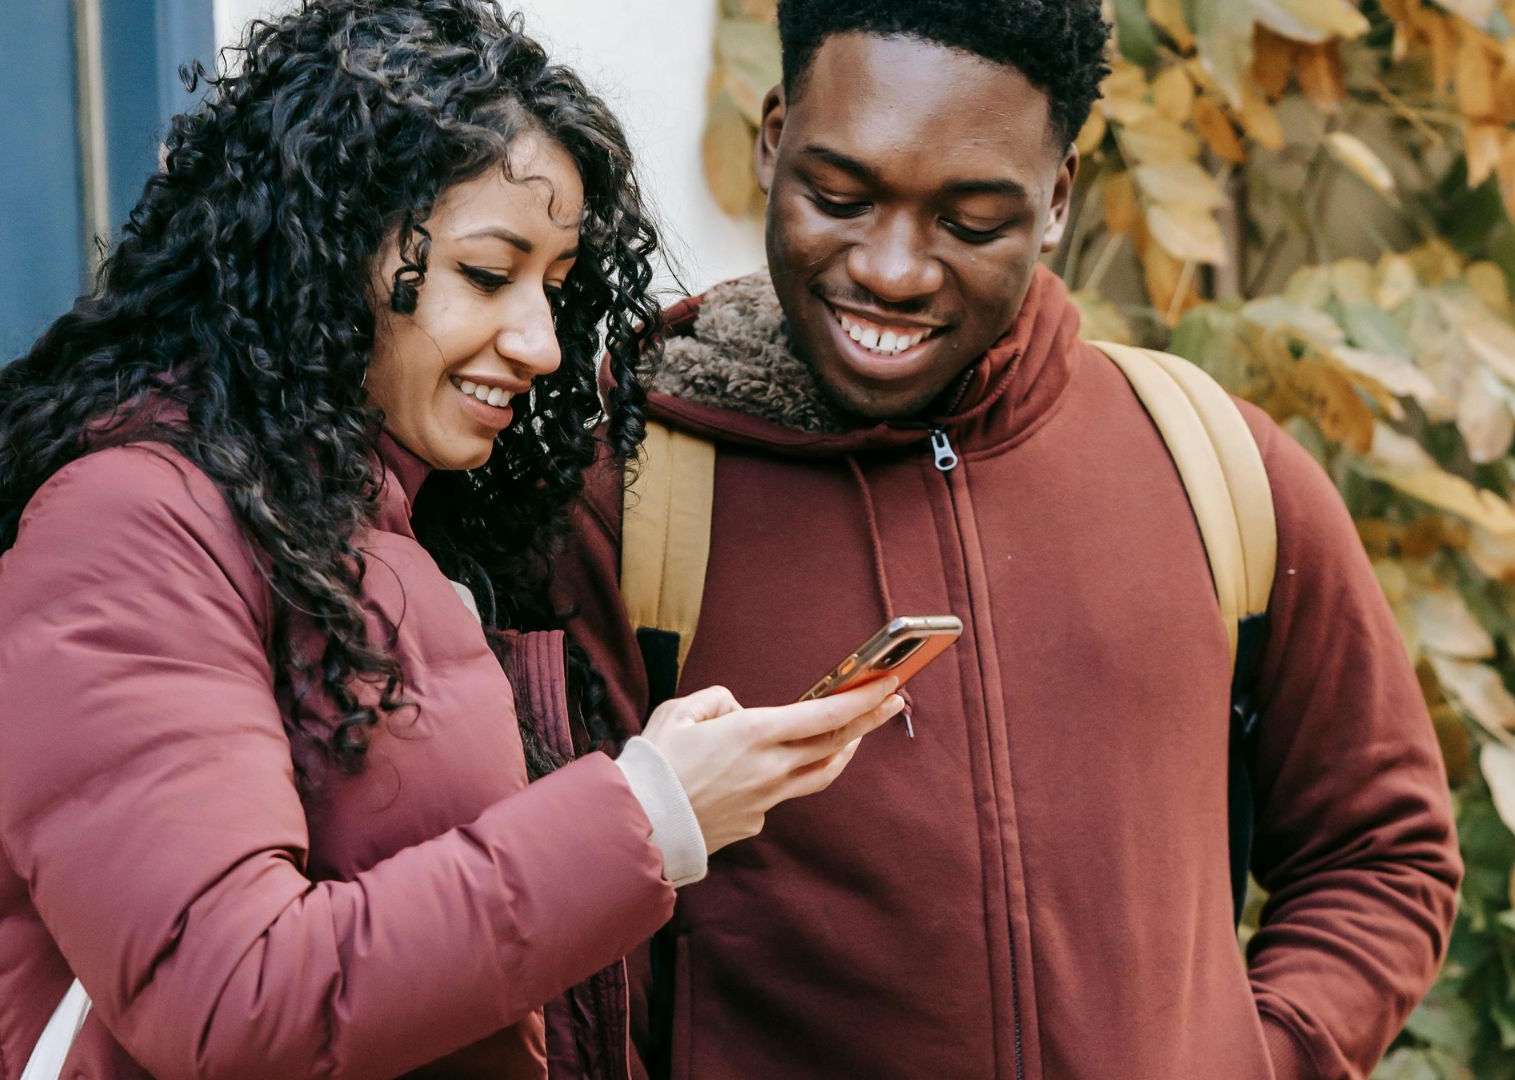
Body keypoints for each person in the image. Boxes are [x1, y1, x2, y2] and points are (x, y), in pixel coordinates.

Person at [0, 3, 899, 1077]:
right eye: (489, 276)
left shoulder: (396, 526)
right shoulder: (128, 530)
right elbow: (231, 999)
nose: (541, 341)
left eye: (555, 283)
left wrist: (668, 790)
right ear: (322, 254)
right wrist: (644, 814)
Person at [554, 1, 1465, 1077]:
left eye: (971, 223)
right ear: (770, 138)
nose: (892, 270)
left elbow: (1382, 848)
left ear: (1057, 201)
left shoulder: (1212, 464)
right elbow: (566, 973)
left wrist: (1263, 1058)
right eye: (839, 197)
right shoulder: (634, 493)